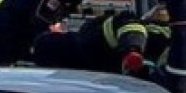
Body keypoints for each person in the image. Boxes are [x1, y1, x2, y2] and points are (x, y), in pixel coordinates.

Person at [31, 10, 164, 77]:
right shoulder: (93, 75)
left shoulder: (91, 39)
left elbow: (127, 20)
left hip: (169, 42)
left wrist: (132, 50)